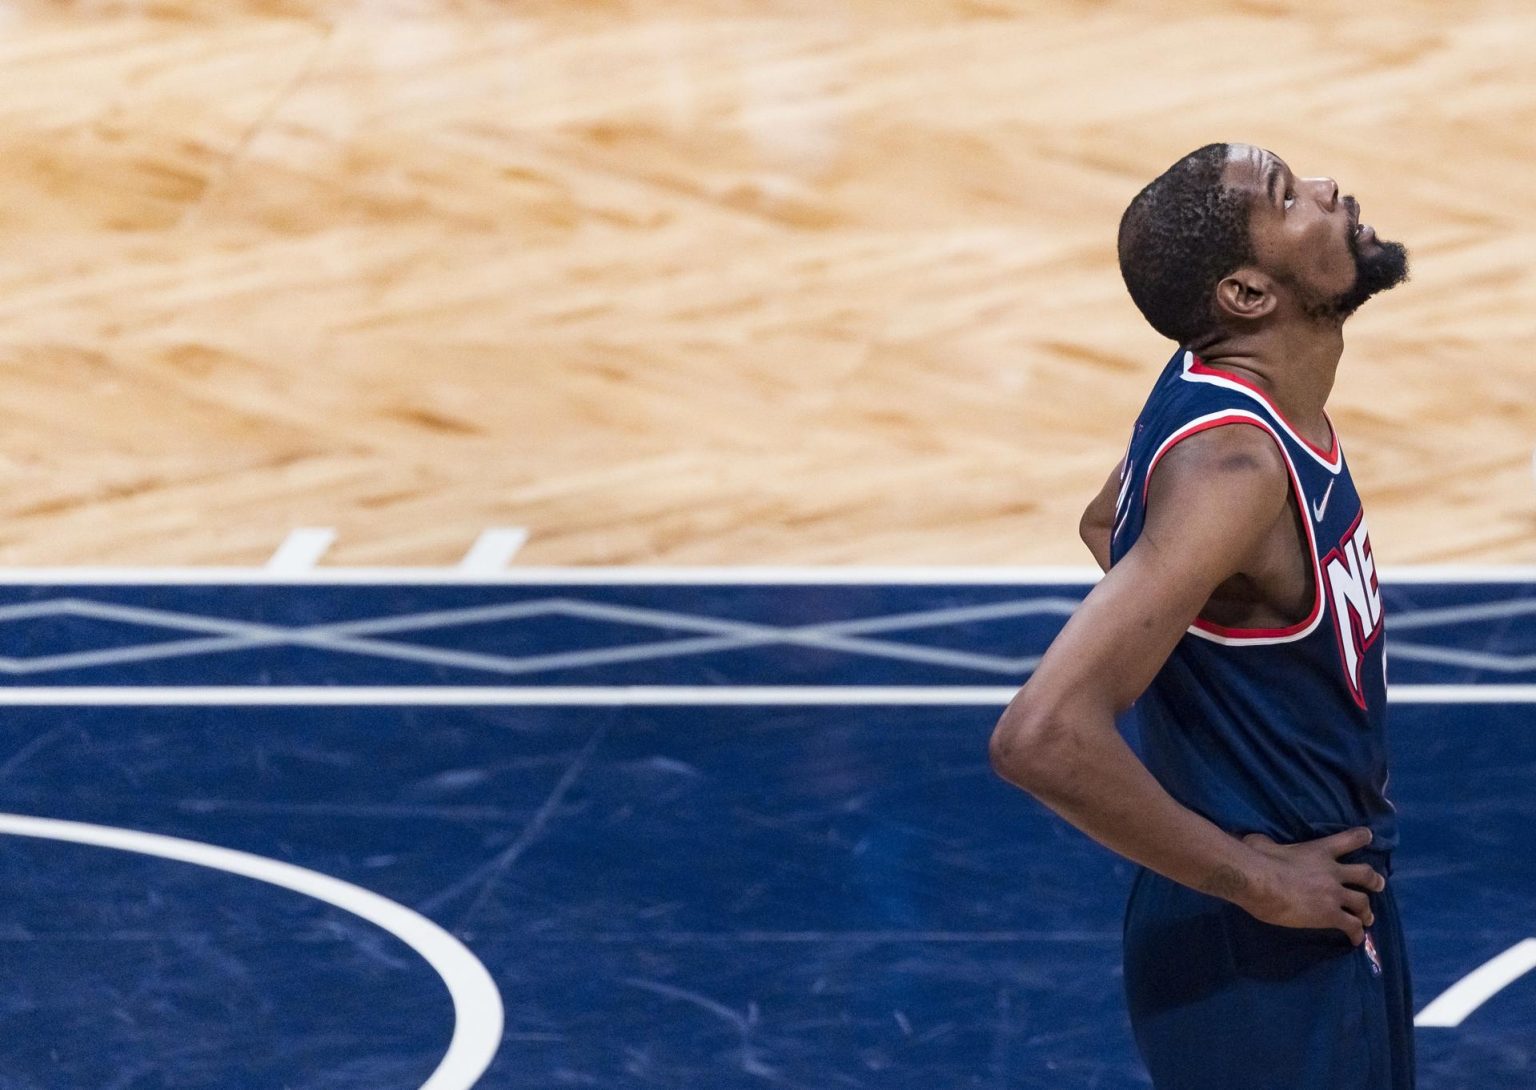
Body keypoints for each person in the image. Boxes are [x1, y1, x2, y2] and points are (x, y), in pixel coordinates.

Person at [988, 143, 1413, 1089]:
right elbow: (1041, 737)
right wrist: (1259, 879)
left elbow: (1108, 519)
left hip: (1299, 898)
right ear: (1248, 296)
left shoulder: (1215, 386)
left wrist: (1220, 655)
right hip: (1268, 928)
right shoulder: (1236, 471)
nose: (1329, 189)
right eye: (1288, 197)